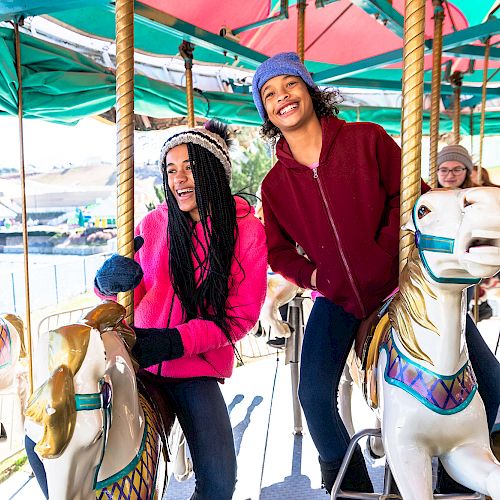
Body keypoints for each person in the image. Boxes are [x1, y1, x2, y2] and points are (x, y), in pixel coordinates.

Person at [251, 51, 500, 494]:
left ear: (309, 89)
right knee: (313, 393)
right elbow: (278, 251)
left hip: (401, 286)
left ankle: (455, 475)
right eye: (269, 94)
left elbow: (415, 202)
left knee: (492, 380)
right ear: (265, 111)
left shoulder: (366, 139)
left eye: (289, 84)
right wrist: (314, 279)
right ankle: (350, 481)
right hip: (338, 298)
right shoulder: (274, 184)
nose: (281, 97)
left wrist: (386, 250)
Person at [25, 120, 267, 500]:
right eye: (171, 170)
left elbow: (239, 319)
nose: (179, 179)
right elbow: (125, 292)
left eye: (190, 166)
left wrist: (173, 342)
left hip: (194, 369)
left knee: (220, 481)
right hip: (134, 362)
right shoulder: (154, 224)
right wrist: (106, 283)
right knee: (40, 440)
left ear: (213, 170)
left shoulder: (246, 232)